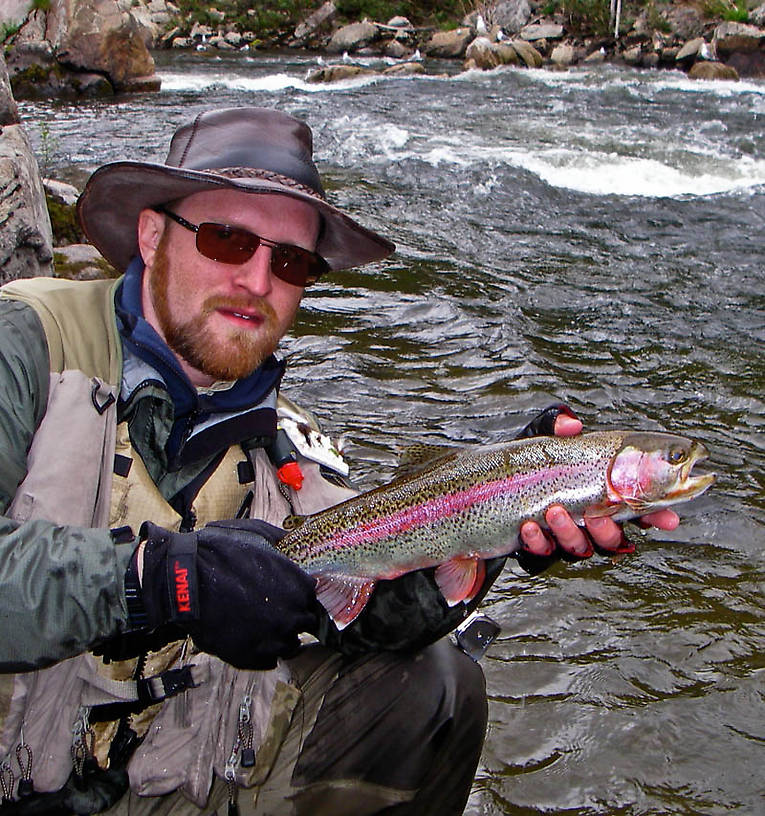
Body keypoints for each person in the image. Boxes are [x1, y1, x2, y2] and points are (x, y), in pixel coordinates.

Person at [0, 107, 679, 816]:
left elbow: (366, 623)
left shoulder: (293, 446)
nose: (258, 280)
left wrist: (498, 515)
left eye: (290, 261)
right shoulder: (23, 344)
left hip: (174, 786)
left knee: (437, 685)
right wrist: (159, 579)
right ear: (150, 234)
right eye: (227, 238)